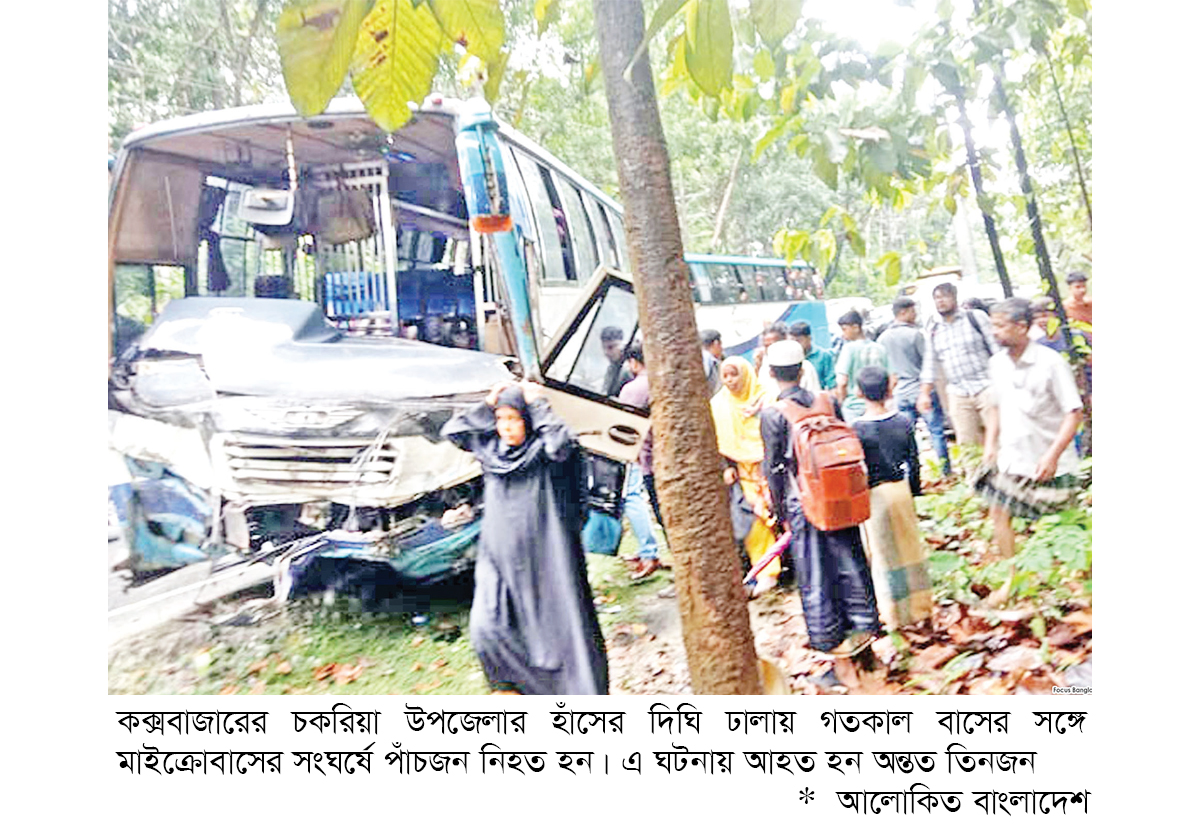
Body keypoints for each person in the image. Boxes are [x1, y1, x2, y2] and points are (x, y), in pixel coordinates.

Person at [441, 382, 608, 694]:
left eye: (514, 419)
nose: (505, 427)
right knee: (486, 629)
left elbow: (561, 443)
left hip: (547, 556)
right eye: (500, 419)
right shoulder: (491, 452)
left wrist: (540, 405)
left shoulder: (544, 454)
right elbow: (455, 431)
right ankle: (515, 684)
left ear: (528, 420)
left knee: (559, 634)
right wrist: (487, 402)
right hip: (499, 558)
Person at [760, 339, 881, 656]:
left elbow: (774, 467)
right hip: (840, 493)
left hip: (802, 501)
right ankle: (865, 622)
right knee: (850, 556)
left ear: (772, 373)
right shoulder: (828, 401)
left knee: (814, 570)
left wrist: (778, 509)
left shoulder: (773, 414)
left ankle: (829, 639)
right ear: (802, 370)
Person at [977, 299, 1084, 559]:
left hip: (1050, 459)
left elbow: (1074, 413)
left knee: (1066, 523)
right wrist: (991, 445)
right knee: (999, 511)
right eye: (993, 325)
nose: (994, 331)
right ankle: (1011, 578)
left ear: (1022, 327)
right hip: (1012, 458)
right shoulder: (997, 364)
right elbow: (995, 407)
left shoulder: (1050, 363)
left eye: (1001, 326)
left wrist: (1053, 456)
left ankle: (1080, 580)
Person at [851, 366, 933, 630]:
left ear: (859, 393)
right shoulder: (903, 421)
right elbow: (914, 461)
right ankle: (922, 609)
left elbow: (858, 470)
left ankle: (893, 615)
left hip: (875, 496)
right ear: (890, 389)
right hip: (901, 490)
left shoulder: (857, 429)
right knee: (911, 550)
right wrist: (915, 490)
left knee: (884, 557)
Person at [710, 357, 779, 596]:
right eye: (725, 376)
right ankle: (767, 572)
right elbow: (716, 440)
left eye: (734, 375)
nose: (729, 381)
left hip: (772, 468)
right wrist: (725, 466)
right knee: (755, 523)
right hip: (743, 473)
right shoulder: (718, 405)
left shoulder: (767, 397)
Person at [877, 297, 952, 476]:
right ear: (903, 312)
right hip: (921, 390)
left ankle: (913, 475)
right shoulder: (916, 335)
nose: (915, 314)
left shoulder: (882, 339)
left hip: (900, 393)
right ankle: (946, 472)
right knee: (936, 432)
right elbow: (928, 362)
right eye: (913, 311)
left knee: (907, 437)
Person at [918, 282, 997, 448]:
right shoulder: (934, 328)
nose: (941, 301)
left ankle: (1004, 472)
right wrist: (924, 394)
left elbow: (996, 349)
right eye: (937, 298)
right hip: (958, 391)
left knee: (998, 436)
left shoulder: (975, 318)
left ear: (954, 297)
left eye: (945, 296)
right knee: (967, 443)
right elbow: (929, 362)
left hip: (986, 385)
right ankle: (975, 474)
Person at [616, 343, 663, 580]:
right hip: (667, 457)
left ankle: (649, 554)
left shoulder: (632, 389)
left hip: (646, 460)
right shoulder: (664, 380)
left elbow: (624, 427)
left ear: (634, 363)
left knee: (636, 499)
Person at [834, 309, 891, 424]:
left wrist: (841, 402)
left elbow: (842, 382)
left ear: (856, 327)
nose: (842, 334)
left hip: (853, 407)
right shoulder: (880, 348)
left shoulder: (848, 349)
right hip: (878, 406)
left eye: (844, 329)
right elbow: (892, 377)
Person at [759, 321, 818, 400]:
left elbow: (814, 396)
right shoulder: (764, 369)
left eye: (773, 344)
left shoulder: (805, 366)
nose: (770, 349)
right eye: (766, 346)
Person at [788, 321, 837, 391]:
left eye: (799, 340)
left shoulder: (823, 356)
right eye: (792, 340)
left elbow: (831, 383)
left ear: (809, 339)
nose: (795, 344)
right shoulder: (788, 358)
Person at [600, 326, 633, 397]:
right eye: (604, 348)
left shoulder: (630, 369)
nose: (606, 352)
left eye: (611, 347)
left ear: (623, 345)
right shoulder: (612, 367)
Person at [700, 329, 724, 397]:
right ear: (716, 344)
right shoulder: (708, 360)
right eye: (721, 344)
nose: (721, 349)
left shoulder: (702, 358)